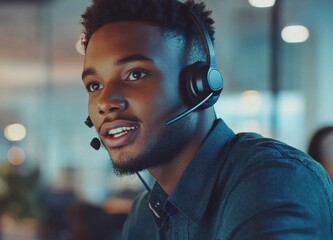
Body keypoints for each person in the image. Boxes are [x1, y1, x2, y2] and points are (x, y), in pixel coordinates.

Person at [80, 0, 333, 239]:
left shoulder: (272, 179)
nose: (104, 102)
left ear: (199, 85)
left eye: (135, 74)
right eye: (94, 85)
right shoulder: (144, 215)